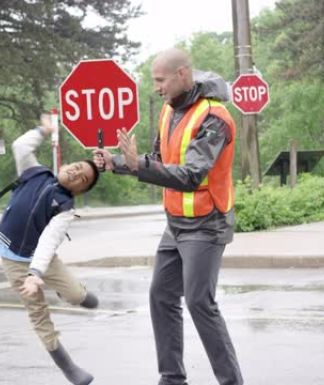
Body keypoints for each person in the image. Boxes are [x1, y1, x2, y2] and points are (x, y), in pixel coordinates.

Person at [94, 48, 244, 385]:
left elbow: (191, 175)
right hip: (176, 225)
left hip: (207, 224)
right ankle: (172, 378)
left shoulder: (214, 118)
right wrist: (118, 161)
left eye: (160, 80)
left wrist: (138, 165)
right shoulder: (169, 111)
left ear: (182, 75)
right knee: (160, 295)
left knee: (198, 302)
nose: (157, 88)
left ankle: (232, 381)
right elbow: (158, 160)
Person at [0, 113, 100, 385]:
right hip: (13, 259)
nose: (76, 173)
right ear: (66, 164)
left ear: (80, 190)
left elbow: (48, 241)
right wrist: (42, 130)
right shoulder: (35, 172)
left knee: (76, 295)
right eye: (77, 167)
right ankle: (69, 368)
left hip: (42, 260)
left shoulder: (66, 208)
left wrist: (36, 272)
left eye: (83, 178)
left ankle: (76, 295)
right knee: (38, 313)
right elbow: (20, 146)